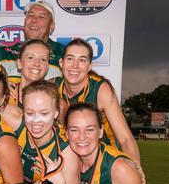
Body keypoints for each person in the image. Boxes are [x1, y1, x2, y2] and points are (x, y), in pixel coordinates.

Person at [55, 39, 141, 169]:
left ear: (89, 66)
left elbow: (125, 138)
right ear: (61, 63)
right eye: (70, 59)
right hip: (69, 162)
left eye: (82, 60)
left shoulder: (101, 90)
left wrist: (137, 168)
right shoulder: (53, 88)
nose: (75, 66)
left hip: (103, 163)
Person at [7, 39, 55, 108]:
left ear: (47, 67)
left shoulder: (53, 100)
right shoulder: (5, 95)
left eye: (43, 59)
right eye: (30, 58)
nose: (37, 63)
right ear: (19, 63)